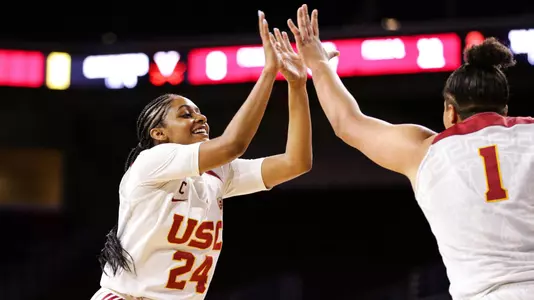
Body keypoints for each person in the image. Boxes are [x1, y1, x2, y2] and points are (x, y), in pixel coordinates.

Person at [288, 4, 534, 300]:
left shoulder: (425, 151)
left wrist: (319, 63)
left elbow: (347, 122)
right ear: (505, 110)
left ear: (450, 113)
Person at [91, 11, 336, 300]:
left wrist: (296, 86)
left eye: (199, 111)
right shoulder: (150, 162)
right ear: (159, 133)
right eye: (185, 114)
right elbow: (233, 144)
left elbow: (296, 162)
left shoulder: (217, 174)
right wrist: (269, 72)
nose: (200, 117)